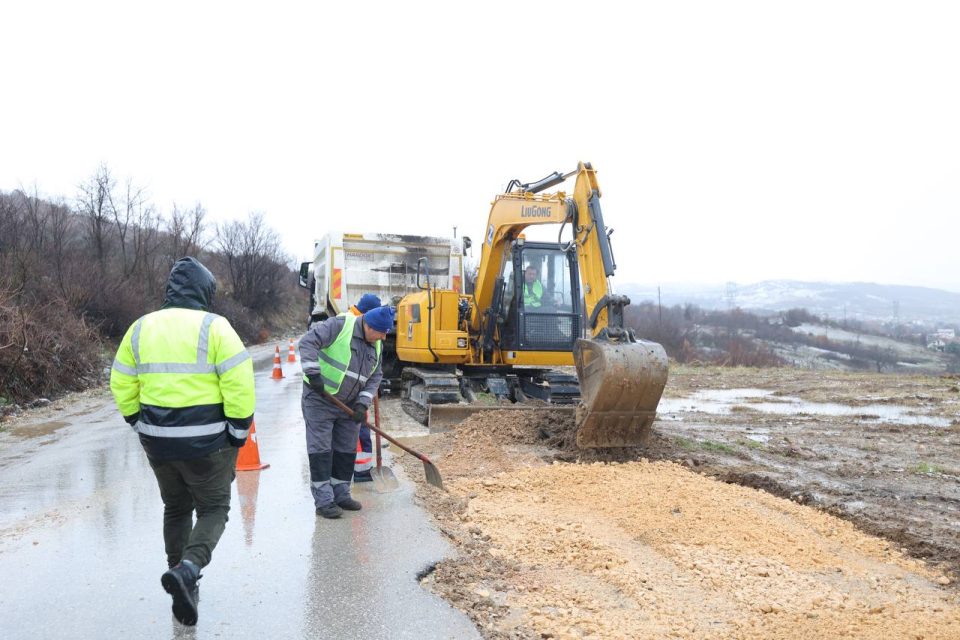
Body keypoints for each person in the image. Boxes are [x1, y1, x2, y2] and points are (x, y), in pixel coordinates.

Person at [110, 257, 255, 627]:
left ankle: (180, 576)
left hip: (158, 443)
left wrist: (137, 422)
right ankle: (188, 571)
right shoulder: (216, 327)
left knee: (175, 508)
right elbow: (239, 384)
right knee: (214, 509)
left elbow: (121, 381)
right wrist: (238, 432)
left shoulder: (140, 328)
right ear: (205, 291)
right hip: (207, 444)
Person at [299, 304, 393, 518]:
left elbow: (375, 376)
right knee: (321, 450)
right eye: (381, 333)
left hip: (349, 405)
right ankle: (324, 501)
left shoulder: (375, 344)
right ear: (369, 326)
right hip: (320, 398)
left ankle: (341, 494)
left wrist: (362, 403)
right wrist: (313, 374)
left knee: (346, 450)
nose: (383, 338)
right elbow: (307, 342)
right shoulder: (340, 326)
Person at [342, 294, 381, 482]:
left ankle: (360, 470)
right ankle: (361, 471)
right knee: (357, 432)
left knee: (358, 430)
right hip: (348, 391)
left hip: (355, 388)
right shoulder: (350, 324)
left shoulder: (355, 322)